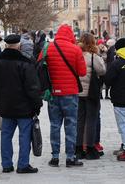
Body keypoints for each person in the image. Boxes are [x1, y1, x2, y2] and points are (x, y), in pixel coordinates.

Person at [38, 24, 87, 168]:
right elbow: (82, 72)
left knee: (55, 125)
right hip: (70, 93)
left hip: (53, 93)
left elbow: (39, 66)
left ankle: (54, 157)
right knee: (71, 124)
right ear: (70, 35)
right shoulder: (75, 49)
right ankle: (70, 157)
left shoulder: (47, 48)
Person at [0, 34, 41, 174]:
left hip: (6, 105)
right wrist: (37, 105)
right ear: (19, 45)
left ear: (6, 45)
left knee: (6, 135)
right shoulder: (25, 62)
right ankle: (23, 164)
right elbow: (32, 87)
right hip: (24, 107)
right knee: (24, 135)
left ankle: (6, 164)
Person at [76, 32, 106, 160]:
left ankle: (78, 148)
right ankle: (89, 148)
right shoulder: (94, 57)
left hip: (78, 92)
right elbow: (102, 70)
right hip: (91, 93)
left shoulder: (76, 55)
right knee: (91, 120)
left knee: (79, 120)